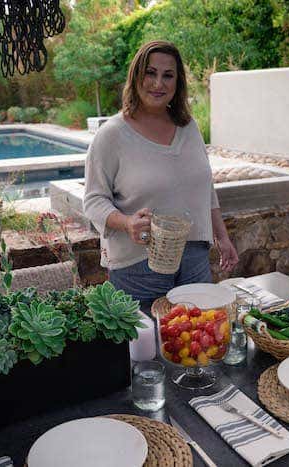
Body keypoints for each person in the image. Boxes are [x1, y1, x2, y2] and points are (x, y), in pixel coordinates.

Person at [83, 40, 238, 308]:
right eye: (150, 73)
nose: (158, 84)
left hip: (195, 263)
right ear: (136, 76)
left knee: (199, 342)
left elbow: (205, 187)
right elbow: (94, 200)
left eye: (168, 76)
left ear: (178, 83)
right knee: (144, 349)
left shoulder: (188, 127)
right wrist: (127, 222)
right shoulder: (112, 135)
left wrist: (222, 237)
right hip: (138, 267)